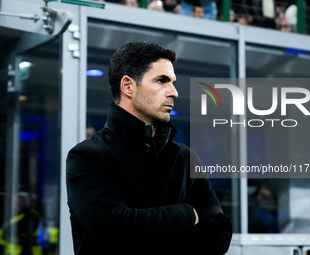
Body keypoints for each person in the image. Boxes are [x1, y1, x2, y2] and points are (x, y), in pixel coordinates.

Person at [66, 41, 232, 255]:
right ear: (127, 86)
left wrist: (145, 231)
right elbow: (114, 229)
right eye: (161, 81)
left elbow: (219, 236)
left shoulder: (185, 158)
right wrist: (187, 213)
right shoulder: (88, 156)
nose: (174, 92)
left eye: (172, 82)